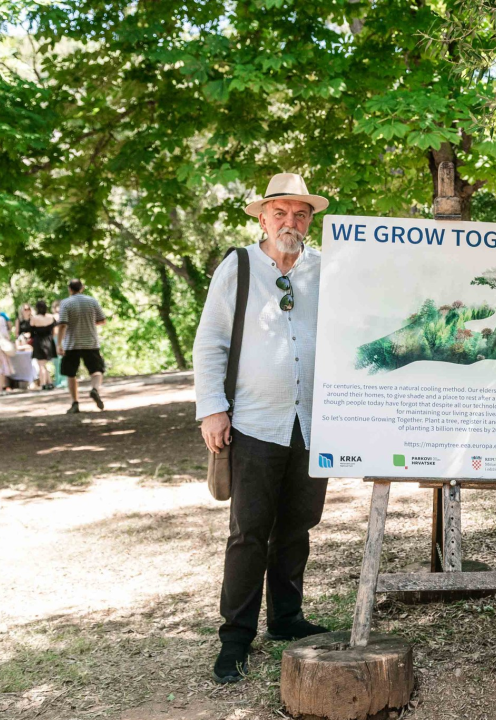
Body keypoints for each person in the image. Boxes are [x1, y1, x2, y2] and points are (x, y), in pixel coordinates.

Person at [193, 172, 330, 683]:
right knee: (249, 532)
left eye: (300, 214)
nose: (289, 223)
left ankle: (287, 618)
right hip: (253, 420)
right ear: (262, 218)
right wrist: (213, 407)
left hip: (313, 422)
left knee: (297, 525)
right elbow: (210, 341)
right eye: (280, 213)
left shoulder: (323, 268)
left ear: (309, 220)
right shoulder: (238, 266)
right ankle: (235, 639)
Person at [57, 280, 108, 413]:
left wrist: (59, 344)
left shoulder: (65, 303)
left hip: (71, 343)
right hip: (90, 341)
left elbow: (62, 324)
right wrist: (89, 323)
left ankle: (75, 403)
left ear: (69, 289)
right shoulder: (92, 301)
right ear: (82, 288)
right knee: (97, 370)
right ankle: (95, 389)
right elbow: (102, 320)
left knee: (71, 373)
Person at [29, 300, 57, 391]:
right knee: (44, 364)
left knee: (41, 364)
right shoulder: (51, 317)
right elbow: (54, 331)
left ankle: (43, 383)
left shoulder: (34, 319)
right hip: (49, 342)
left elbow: (31, 333)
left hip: (39, 342)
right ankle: (49, 383)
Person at [50, 300, 67, 389]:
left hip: (63, 339)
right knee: (57, 361)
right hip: (56, 339)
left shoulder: (64, 316)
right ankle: (59, 380)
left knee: (62, 360)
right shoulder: (53, 317)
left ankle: (63, 381)